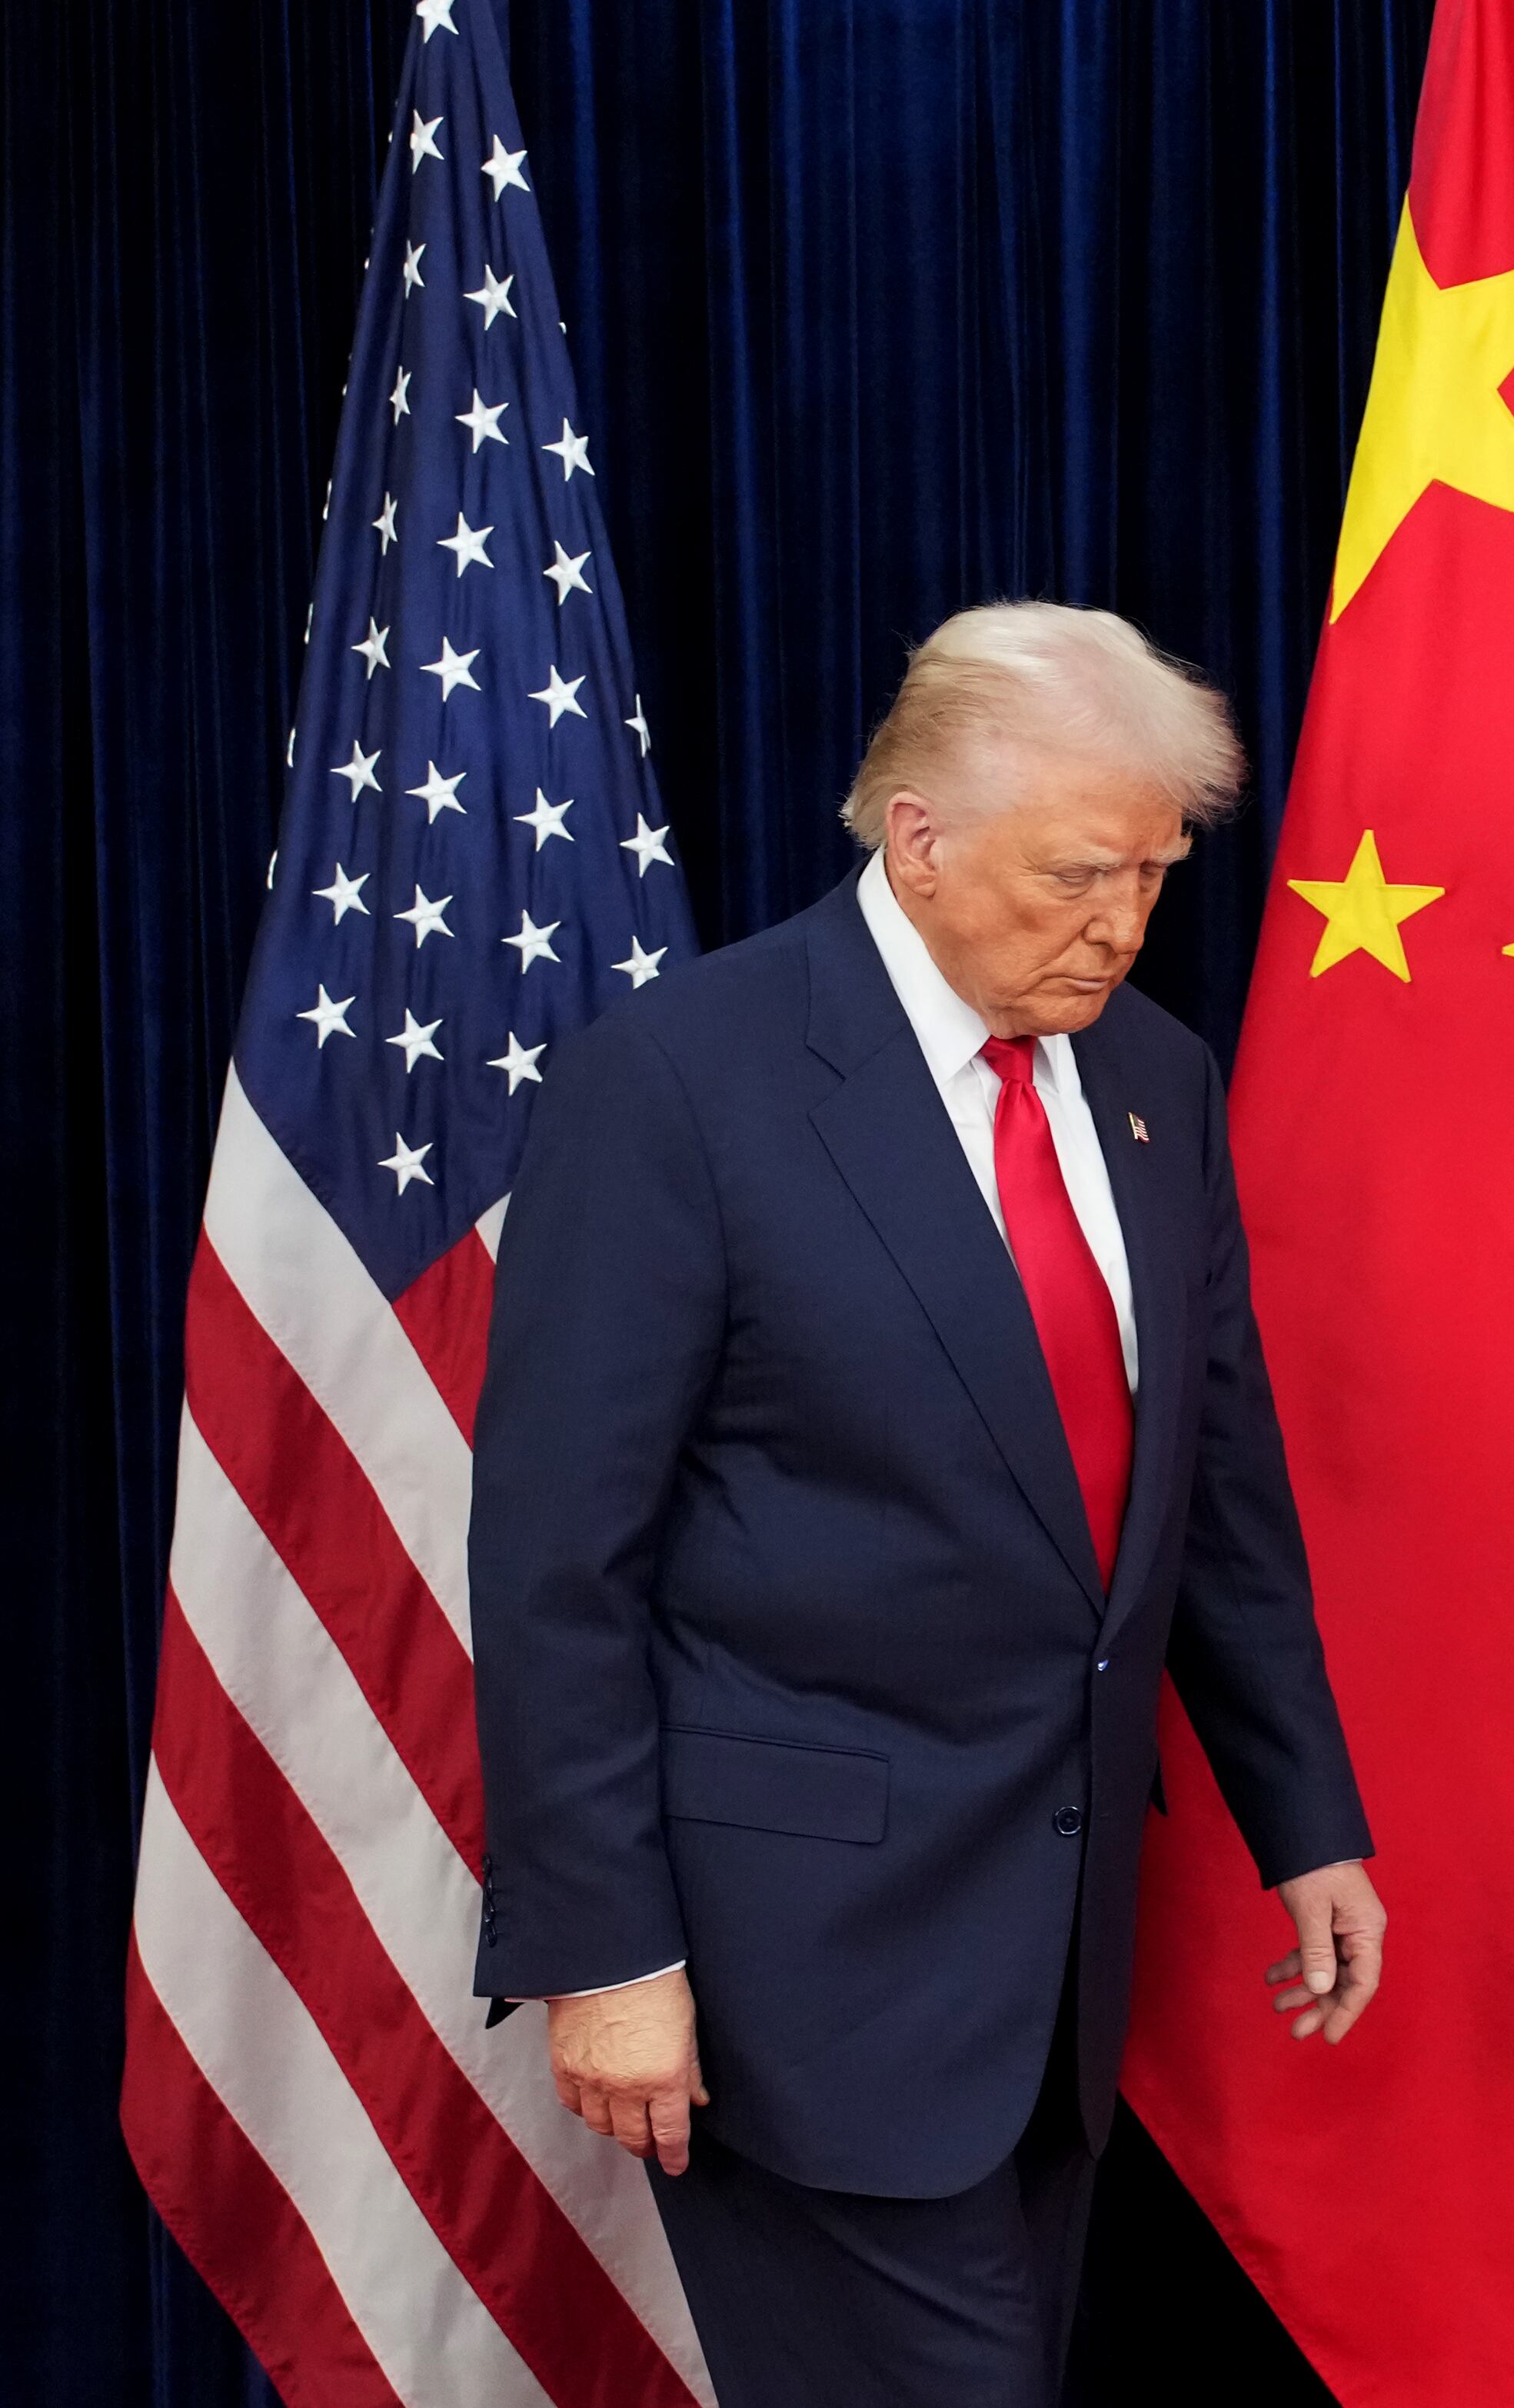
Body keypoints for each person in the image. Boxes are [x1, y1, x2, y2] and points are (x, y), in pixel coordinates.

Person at [468, 602, 1384, 2406]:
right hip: (789, 1975)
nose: (1120, 924)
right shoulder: (681, 1083)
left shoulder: (1152, 1080)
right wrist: (604, 1952)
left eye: (1152, 874)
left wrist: (1305, 1813)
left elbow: (1214, 1485)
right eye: (1077, 873)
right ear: (920, 838)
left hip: (1051, 1970)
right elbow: (559, 1558)